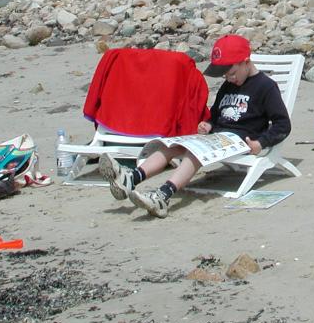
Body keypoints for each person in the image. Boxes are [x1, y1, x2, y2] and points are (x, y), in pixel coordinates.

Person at [99, 34, 291, 218]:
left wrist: (260, 143)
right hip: (217, 136)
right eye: (225, 75)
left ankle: (163, 196)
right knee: (172, 145)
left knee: (195, 152)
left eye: (231, 73)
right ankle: (132, 178)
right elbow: (216, 113)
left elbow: (283, 124)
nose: (229, 78)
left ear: (246, 62)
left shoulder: (266, 87)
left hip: (241, 140)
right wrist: (208, 123)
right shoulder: (228, 85)